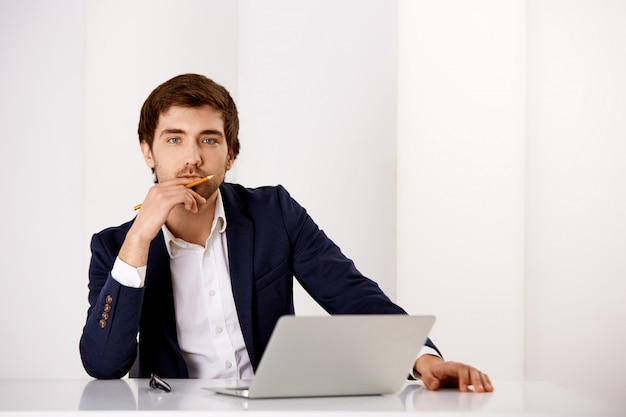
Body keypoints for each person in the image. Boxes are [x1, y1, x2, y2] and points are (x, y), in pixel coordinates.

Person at [79, 73, 493, 393]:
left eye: (209, 139)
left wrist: (423, 360)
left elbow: (350, 293)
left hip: (269, 407)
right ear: (147, 151)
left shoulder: (274, 213)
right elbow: (103, 364)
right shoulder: (114, 246)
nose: (192, 158)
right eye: (174, 139)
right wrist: (138, 241)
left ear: (231, 154)